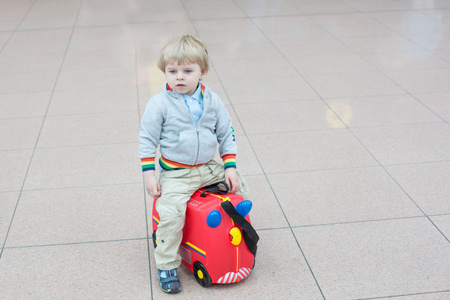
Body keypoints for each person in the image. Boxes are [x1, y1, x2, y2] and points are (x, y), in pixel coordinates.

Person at [138, 34, 250, 294]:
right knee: (172, 213)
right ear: (164, 71)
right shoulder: (159, 104)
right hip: (176, 173)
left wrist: (230, 166)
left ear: (203, 71)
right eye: (172, 70)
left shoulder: (212, 100)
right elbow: (146, 140)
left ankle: (237, 235)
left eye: (187, 71)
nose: (179, 77)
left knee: (240, 186)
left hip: (208, 167)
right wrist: (149, 174)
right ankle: (166, 263)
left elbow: (226, 132)